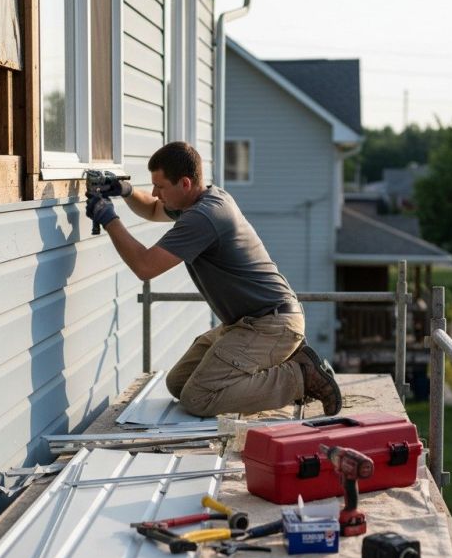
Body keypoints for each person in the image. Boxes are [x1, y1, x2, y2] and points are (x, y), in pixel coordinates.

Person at [86, 141, 341, 418]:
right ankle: (282, 364)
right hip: (245, 323)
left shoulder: (203, 217)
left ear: (184, 183)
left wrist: (109, 219)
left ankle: (301, 375)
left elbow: (145, 267)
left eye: (160, 186)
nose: (155, 193)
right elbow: (151, 209)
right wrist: (126, 191)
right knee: (179, 383)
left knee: (198, 399)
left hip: (271, 324)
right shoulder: (201, 198)